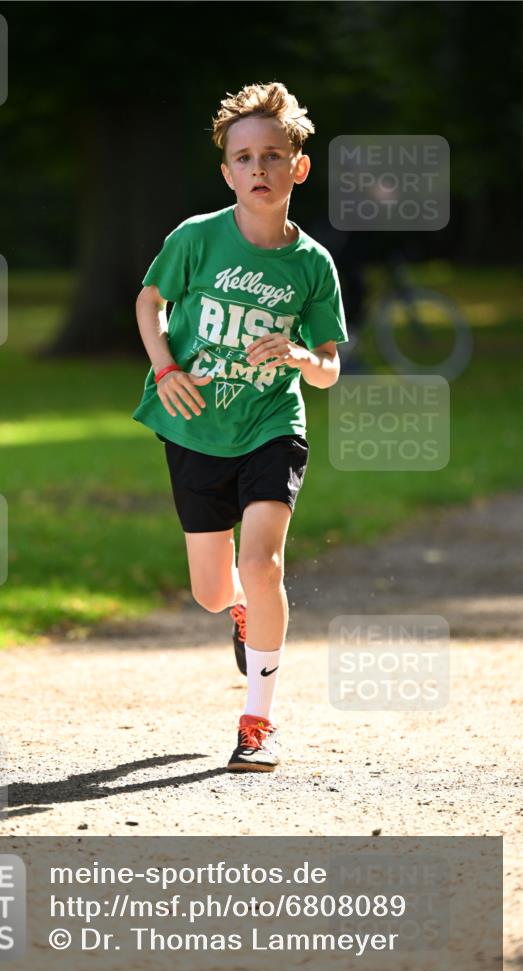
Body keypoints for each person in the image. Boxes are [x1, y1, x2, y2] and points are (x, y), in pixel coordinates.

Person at [132, 81, 348, 772]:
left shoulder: (312, 265)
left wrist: (298, 354)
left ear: (297, 167)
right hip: (194, 424)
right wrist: (166, 367)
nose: (259, 168)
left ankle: (258, 720)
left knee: (260, 562)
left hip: (268, 423)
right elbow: (149, 301)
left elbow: (327, 372)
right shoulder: (196, 238)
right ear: (227, 172)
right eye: (244, 158)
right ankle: (240, 612)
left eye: (272, 155)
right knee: (212, 591)